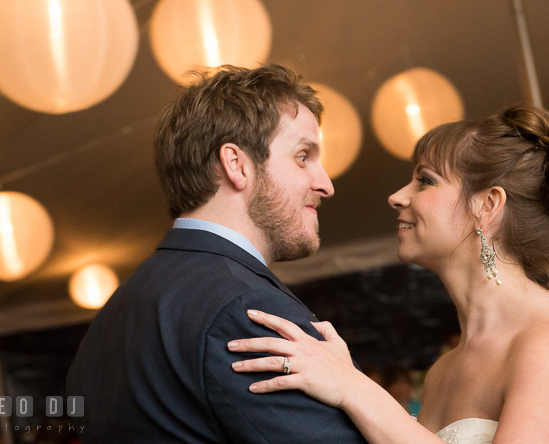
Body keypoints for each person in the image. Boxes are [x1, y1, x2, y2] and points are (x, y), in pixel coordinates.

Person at [227, 106, 549, 443]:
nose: (397, 196)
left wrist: (354, 387)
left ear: (487, 205)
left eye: (425, 180)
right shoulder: (443, 371)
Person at [67, 64, 367, 442]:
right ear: (237, 164)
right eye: (303, 156)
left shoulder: (111, 316)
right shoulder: (245, 310)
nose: (325, 184)